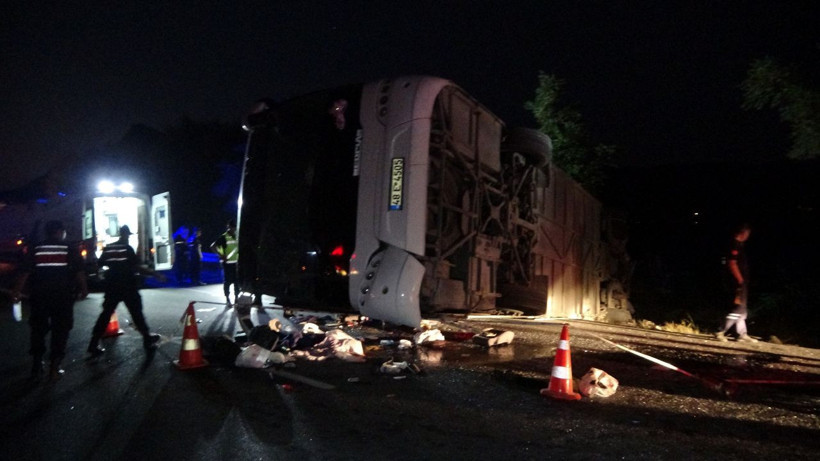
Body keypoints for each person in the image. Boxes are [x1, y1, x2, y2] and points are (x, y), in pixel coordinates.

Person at [13, 220, 88, 381]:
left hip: (39, 296)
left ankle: (37, 365)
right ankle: (54, 368)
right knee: (60, 330)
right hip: (62, 297)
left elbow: (25, 272)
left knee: (38, 330)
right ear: (61, 231)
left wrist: (17, 291)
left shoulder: (36, 248)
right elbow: (79, 272)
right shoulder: (69, 248)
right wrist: (84, 289)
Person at [87, 225, 167, 356]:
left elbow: (100, 263)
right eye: (128, 235)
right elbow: (136, 267)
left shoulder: (109, 248)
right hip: (127, 286)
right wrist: (155, 274)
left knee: (105, 314)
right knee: (136, 313)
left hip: (112, 286)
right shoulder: (127, 248)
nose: (129, 237)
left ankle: (93, 343)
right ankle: (147, 339)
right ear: (126, 235)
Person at [715, 223, 758, 343]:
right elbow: (732, 263)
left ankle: (742, 334)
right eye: (747, 233)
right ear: (743, 232)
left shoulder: (740, 245)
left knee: (742, 310)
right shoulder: (734, 244)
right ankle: (720, 331)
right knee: (736, 309)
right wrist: (739, 279)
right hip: (736, 283)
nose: (748, 236)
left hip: (741, 282)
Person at [211, 219, 239, 305]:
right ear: (228, 227)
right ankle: (227, 298)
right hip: (227, 263)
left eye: (234, 228)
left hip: (236, 263)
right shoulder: (223, 237)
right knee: (228, 281)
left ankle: (236, 299)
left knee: (236, 282)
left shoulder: (236, 236)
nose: (233, 229)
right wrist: (221, 255)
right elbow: (213, 246)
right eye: (232, 227)